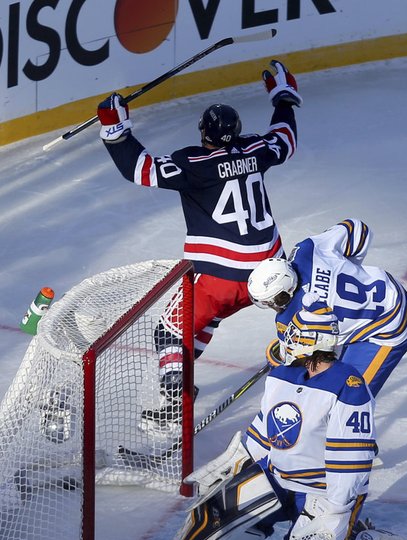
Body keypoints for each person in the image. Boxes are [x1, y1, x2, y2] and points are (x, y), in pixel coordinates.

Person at [139, 297, 405, 540]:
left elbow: (350, 457)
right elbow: (268, 427)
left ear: (317, 342)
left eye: (298, 334)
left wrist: (338, 510)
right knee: (214, 514)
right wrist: (235, 460)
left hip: (321, 489)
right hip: (276, 477)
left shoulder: (348, 386)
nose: (288, 339)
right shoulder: (282, 374)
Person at [96, 60, 302, 429]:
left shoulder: (193, 163)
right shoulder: (256, 150)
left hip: (218, 279)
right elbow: (285, 140)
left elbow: (139, 169)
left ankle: (175, 396)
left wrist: (116, 129)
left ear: (202, 131)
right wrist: (283, 97)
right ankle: (313, 354)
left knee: (170, 331)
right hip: (270, 276)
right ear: (237, 132)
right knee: (206, 323)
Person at [246, 217, 407, 397]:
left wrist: (275, 357)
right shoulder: (307, 251)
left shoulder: (292, 319)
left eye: (272, 301)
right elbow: (358, 230)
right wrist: (347, 269)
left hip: (389, 328)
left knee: (346, 397)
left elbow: (291, 366)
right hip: (389, 288)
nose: (272, 306)